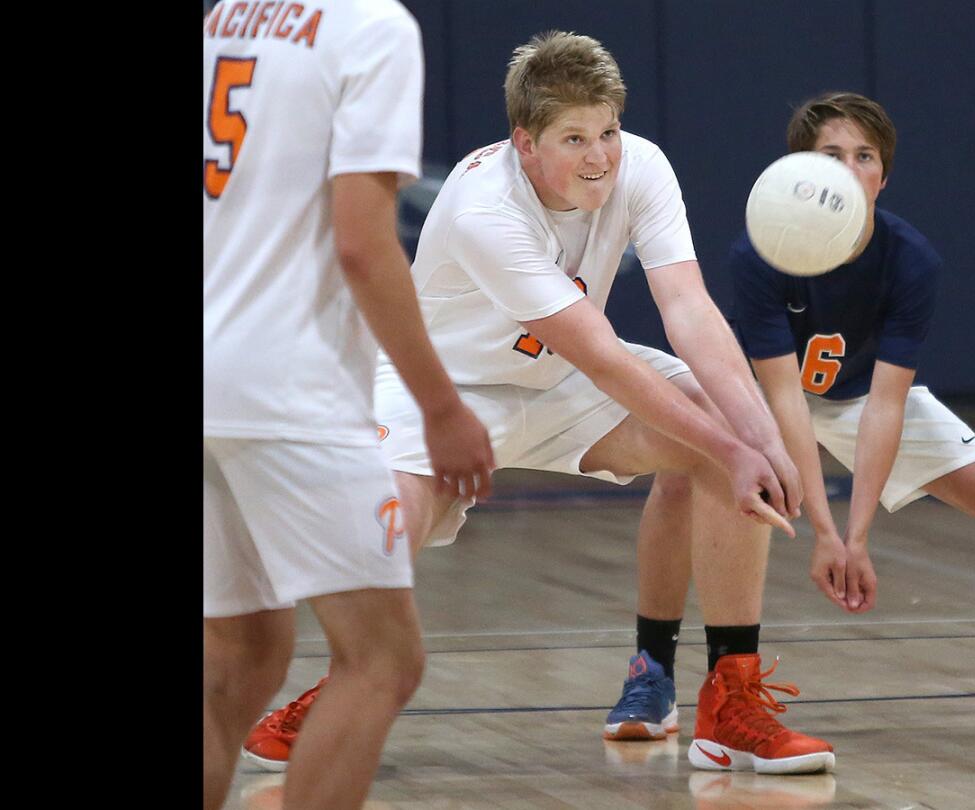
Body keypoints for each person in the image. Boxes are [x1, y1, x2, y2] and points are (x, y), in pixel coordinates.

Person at [254, 30, 837, 776]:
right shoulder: (481, 208)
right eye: (574, 139)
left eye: (608, 131)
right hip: (443, 386)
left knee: (729, 433)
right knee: (387, 524)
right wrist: (736, 449)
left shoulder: (643, 167)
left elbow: (687, 307)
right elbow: (601, 352)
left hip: (560, 380)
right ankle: (340, 686)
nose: (599, 156)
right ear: (525, 144)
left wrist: (758, 436)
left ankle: (730, 701)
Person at [611, 91, 975, 723]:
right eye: (831, 154)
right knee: (677, 483)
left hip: (862, 397)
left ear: (882, 176)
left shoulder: (910, 259)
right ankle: (652, 673)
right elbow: (781, 396)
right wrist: (822, 534)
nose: (850, 168)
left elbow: (887, 403)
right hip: (765, 402)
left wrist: (856, 537)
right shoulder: (759, 256)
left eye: (864, 156)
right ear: (800, 171)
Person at [203, 1, 496, 808]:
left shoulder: (233, 13)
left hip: (212, 371)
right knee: (382, 658)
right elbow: (363, 243)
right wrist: (441, 408)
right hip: (290, 386)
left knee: (242, 656)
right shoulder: (374, 28)